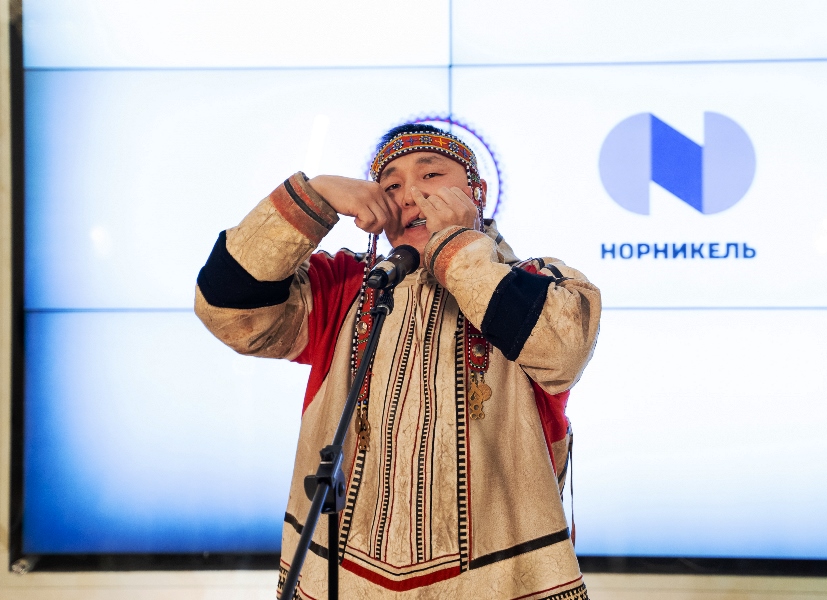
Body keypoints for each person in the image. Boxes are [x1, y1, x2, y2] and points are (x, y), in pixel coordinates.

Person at [194, 123, 601, 599]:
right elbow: (227, 309)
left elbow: (561, 351)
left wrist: (457, 248)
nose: (409, 195)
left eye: (431, 175)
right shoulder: (346, 283)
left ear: (479, 192)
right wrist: (314, 196)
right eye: (390, 186)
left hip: (506, 584)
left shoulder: (540, 281)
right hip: (344, 582)